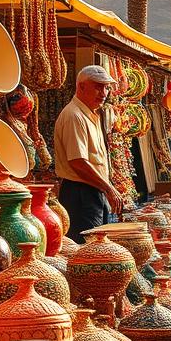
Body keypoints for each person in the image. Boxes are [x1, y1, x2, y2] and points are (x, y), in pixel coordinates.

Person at [54, 65, 122, 242]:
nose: (104, 92)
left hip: (92, 190)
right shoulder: (74, 115)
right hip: (80, 193)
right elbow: (78, 162)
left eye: (106, 87)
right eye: (98, 86)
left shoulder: (91, 114)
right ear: (81, 87)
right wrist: (109, 188)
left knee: (98, 244)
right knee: (88, 246)